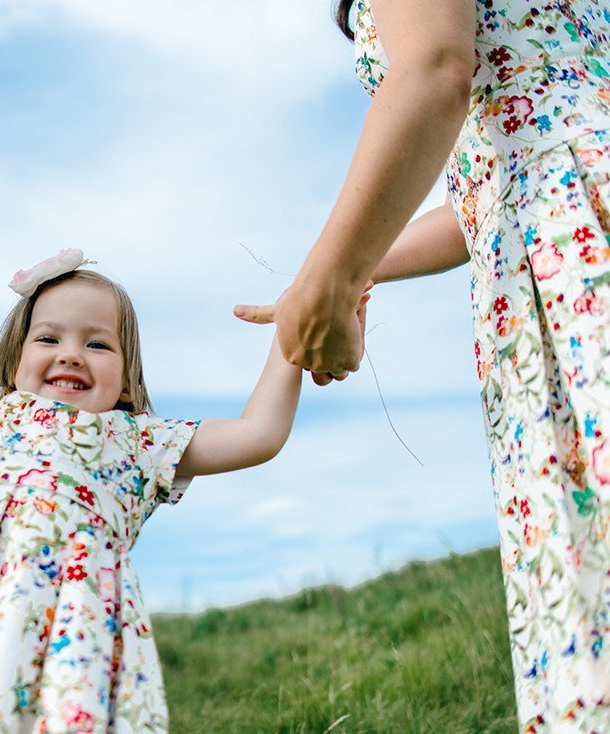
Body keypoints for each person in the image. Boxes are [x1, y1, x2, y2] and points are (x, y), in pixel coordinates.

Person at [0, 223, 366, 733]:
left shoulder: (137, 440)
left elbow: (258, 433)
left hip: (69, 642)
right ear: (13, 362)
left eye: (98, 343)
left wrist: (300, 323)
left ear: (128, 377)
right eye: (49, 339)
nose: (72, 355)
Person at [235, 0, 610, 730]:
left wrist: (331, 278)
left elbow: (436, 72)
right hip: (557, 217)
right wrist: (347, 268)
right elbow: (486, 189)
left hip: (574, 245)